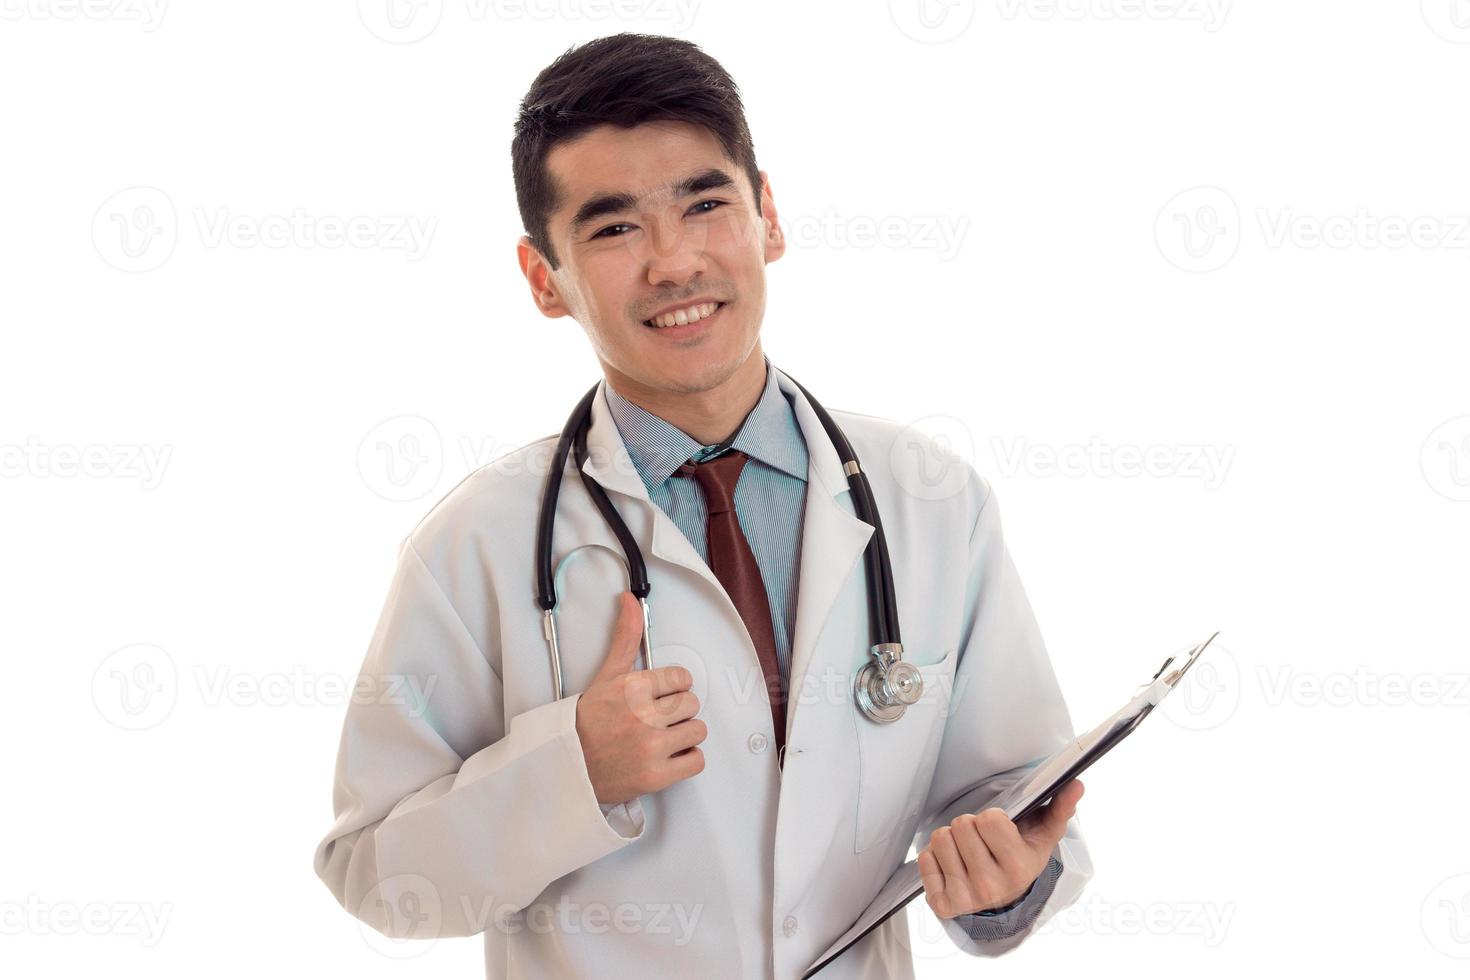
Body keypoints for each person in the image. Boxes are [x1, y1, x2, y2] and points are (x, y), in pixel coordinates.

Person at [313, 32, 1092, 979]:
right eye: (613, 229)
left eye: (705, 203)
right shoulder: (473, 546)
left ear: (767, 216)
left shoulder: (929, 500)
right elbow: (373, 874)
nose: (675, 263)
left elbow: (1015, 800)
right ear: (541, 279)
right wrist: (571, 773)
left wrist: (1006, 880)